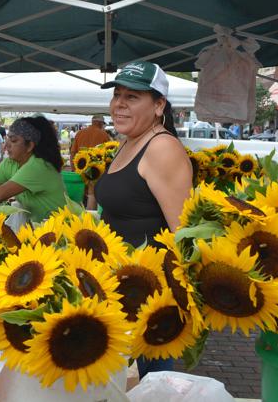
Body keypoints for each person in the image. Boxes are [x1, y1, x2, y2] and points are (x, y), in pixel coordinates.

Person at [92, 61, 192, 379]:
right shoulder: (129, 142)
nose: (119, 104)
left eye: (132, 97)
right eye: (117, 94)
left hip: (146, 303)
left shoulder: (162, 147)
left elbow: (184, 235)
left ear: (159, 104)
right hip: (119, 295)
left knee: (145, 385)